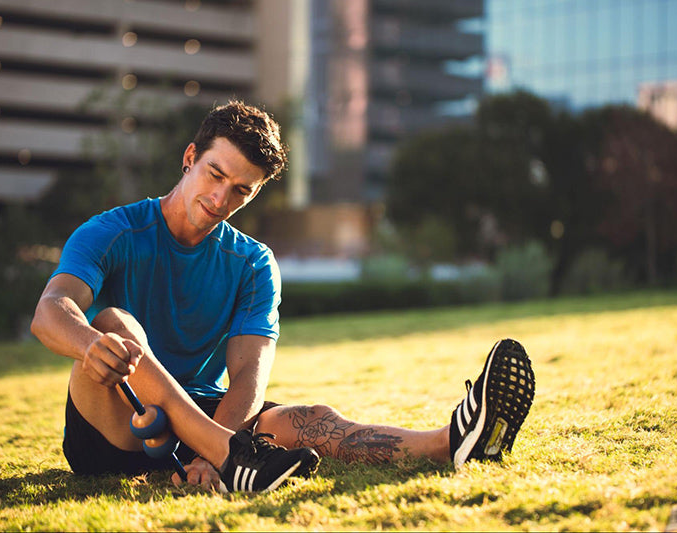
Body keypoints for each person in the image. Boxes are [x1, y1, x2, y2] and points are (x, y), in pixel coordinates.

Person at [31, 100, 536, 494]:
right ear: (190, 158)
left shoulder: (252, 262)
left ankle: (454, 443)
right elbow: (50, 312)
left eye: (241, 191)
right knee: (117, 322)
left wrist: (209, 454)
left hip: (208, 424)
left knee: (311, 419)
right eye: (215, 175)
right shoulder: (113, 232)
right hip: (116, 418)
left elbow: (250, 373)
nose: (220, 199)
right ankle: (236, 459)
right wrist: (89, 345)